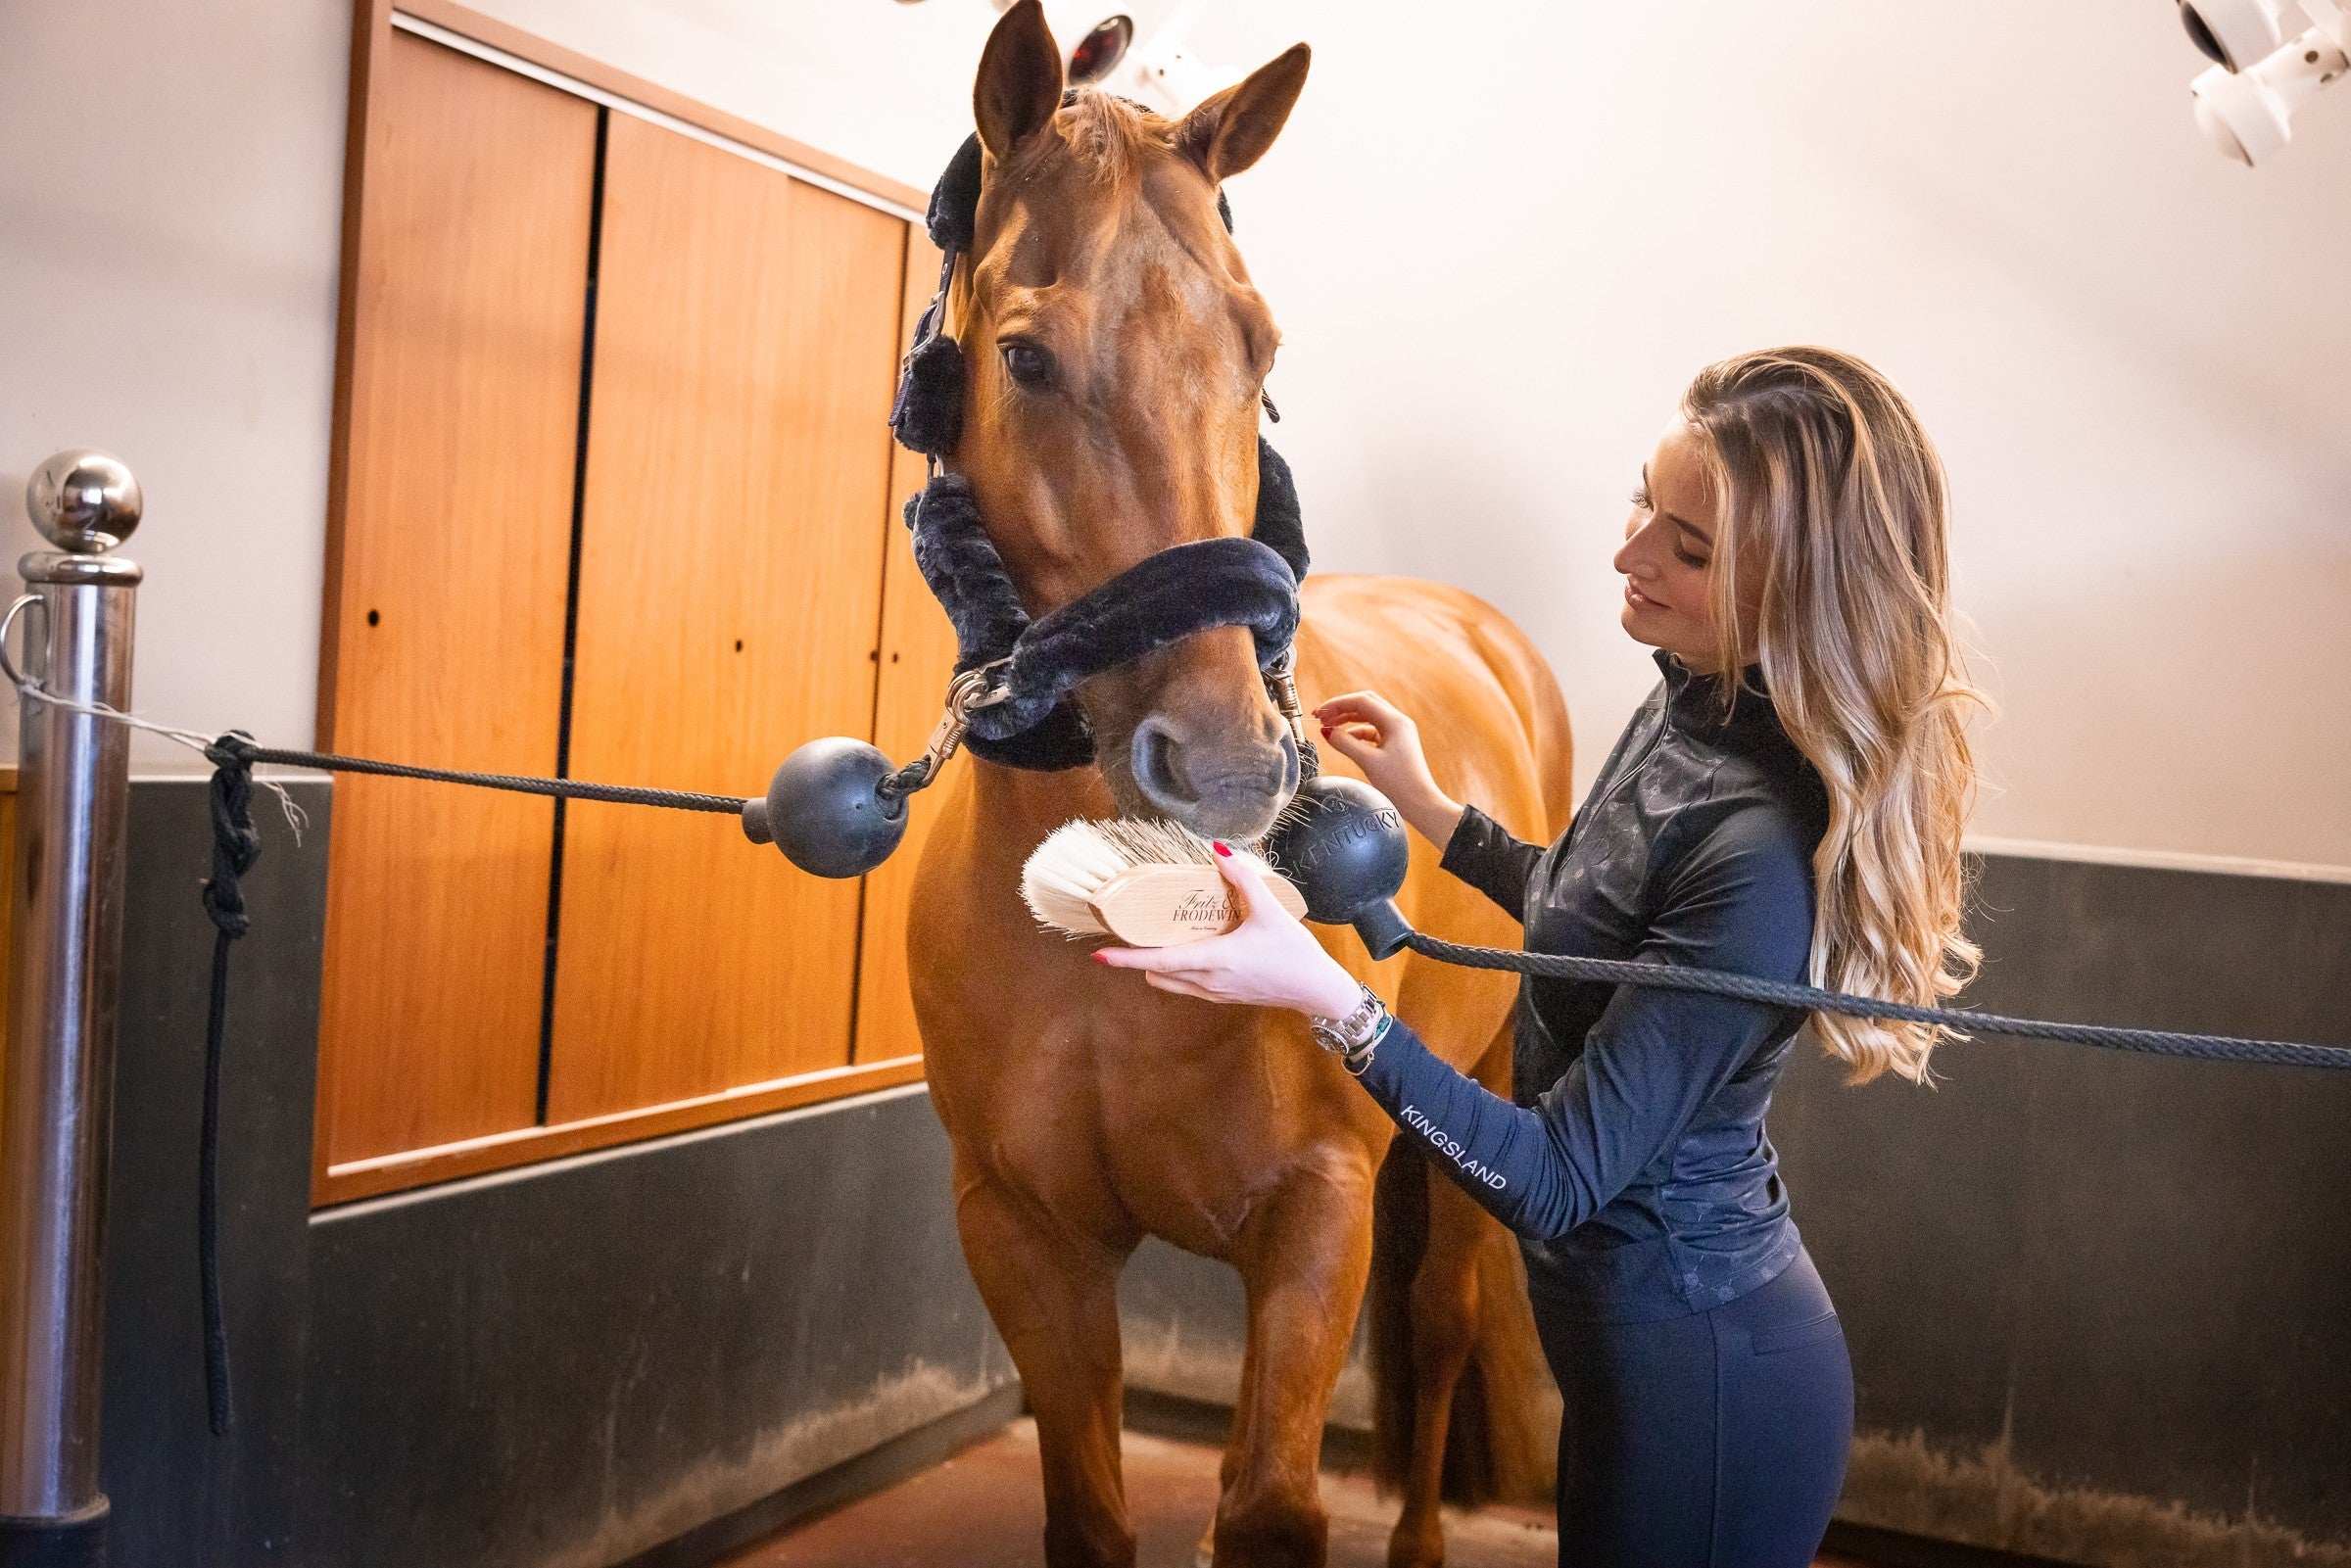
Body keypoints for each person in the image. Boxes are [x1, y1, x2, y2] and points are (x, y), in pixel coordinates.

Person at [1092, 346, 1989, 1568]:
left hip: (1709, 1379)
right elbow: (1590, 910)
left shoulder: (1757, 848)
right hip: (1631, 1361)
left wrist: (1323, 992)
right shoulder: (1688, 703)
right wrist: (1430, 806)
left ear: (1797, 591)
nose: (1629, 556)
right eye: (1643, 506)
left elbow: (1557, 1176)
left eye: (1689, 549)